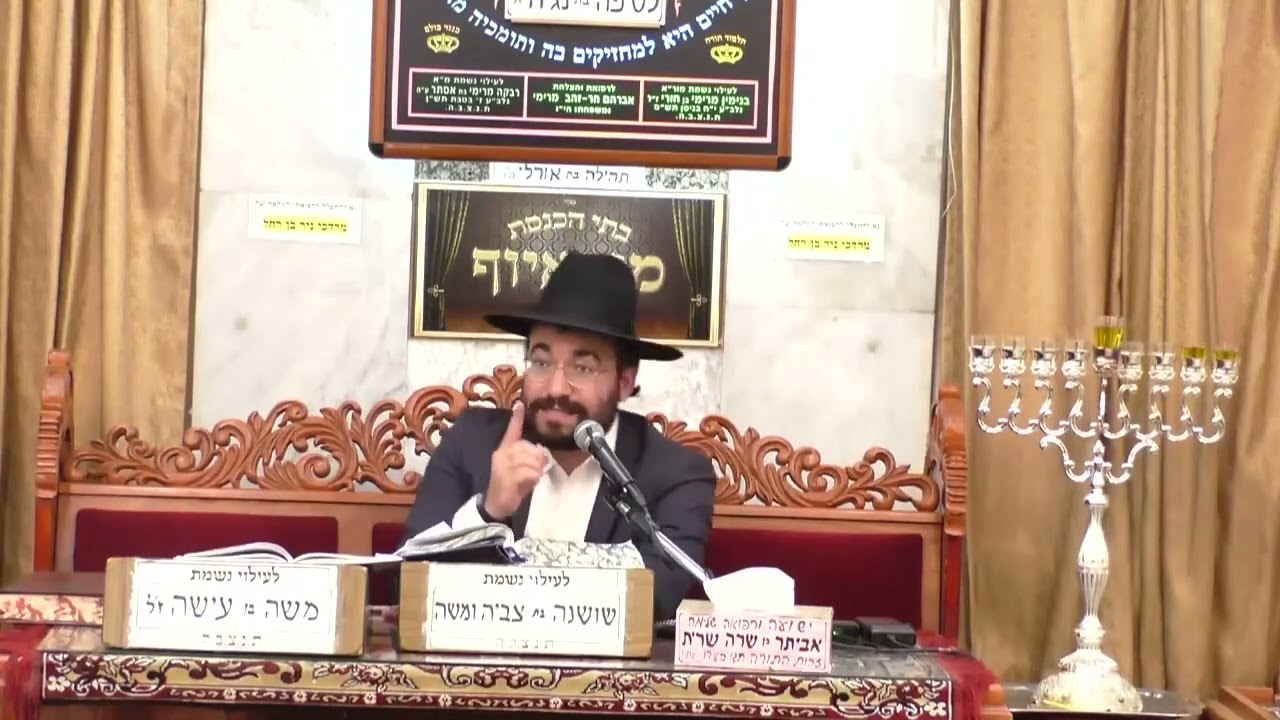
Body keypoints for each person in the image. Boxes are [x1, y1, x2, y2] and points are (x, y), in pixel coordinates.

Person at [402, 252, 716, 620]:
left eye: (583, 367)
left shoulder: (675, 473)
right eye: (541, 362)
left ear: (624, 381)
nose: (555, 388)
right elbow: (407, 586)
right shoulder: (471, 442)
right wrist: (489, 513)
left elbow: (658, 596)